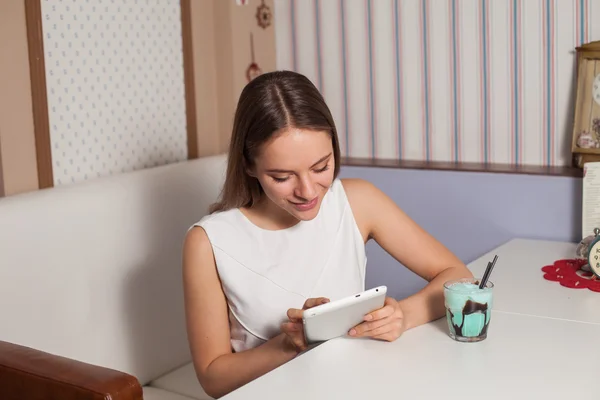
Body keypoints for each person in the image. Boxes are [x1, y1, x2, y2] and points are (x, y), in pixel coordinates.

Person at [182, 70, 472, 398]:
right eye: (282, 177)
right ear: (249, 165)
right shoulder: (209, 242)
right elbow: (212, 378)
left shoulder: (358, 201)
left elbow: (460, 277)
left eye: (321, 167)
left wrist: (401, 316)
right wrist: (288, 344)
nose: (308, 191)